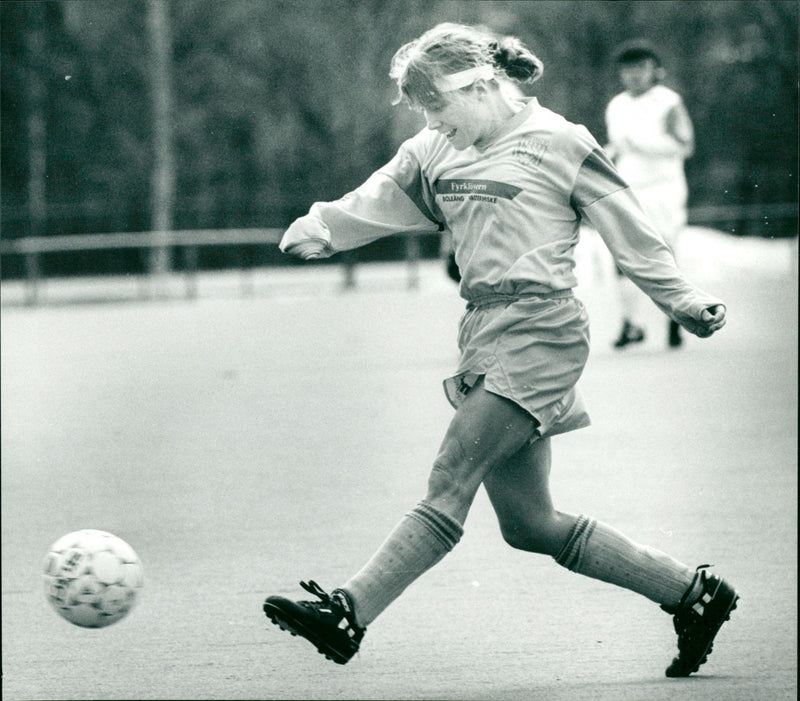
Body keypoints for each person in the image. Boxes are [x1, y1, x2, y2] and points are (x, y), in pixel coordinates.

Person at [264, 23, 737, 678]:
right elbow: (379, 195)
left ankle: (349, 611)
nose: (432, 121)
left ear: (480, 85)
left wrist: (681, 299)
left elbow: (631, 228)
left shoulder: (560, 141)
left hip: (544, 328)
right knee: (530, 523)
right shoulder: (436, 148)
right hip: (484, 331)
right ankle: (694, 594)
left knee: (451, 473)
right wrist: (323, 226)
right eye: (424, 110)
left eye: (437, 104)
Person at [605, 39, 696, 349]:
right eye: (628, 69)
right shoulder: (617, 105)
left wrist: (642, 143)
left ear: (654, 70)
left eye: (640, 67)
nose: (634, 75)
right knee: (624, 255)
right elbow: (617, 146)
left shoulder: (668, 102)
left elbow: (684, 146)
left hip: (664, 190)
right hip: (629, 189)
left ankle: (676, 320)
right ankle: (631, 324)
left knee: (664, 255)